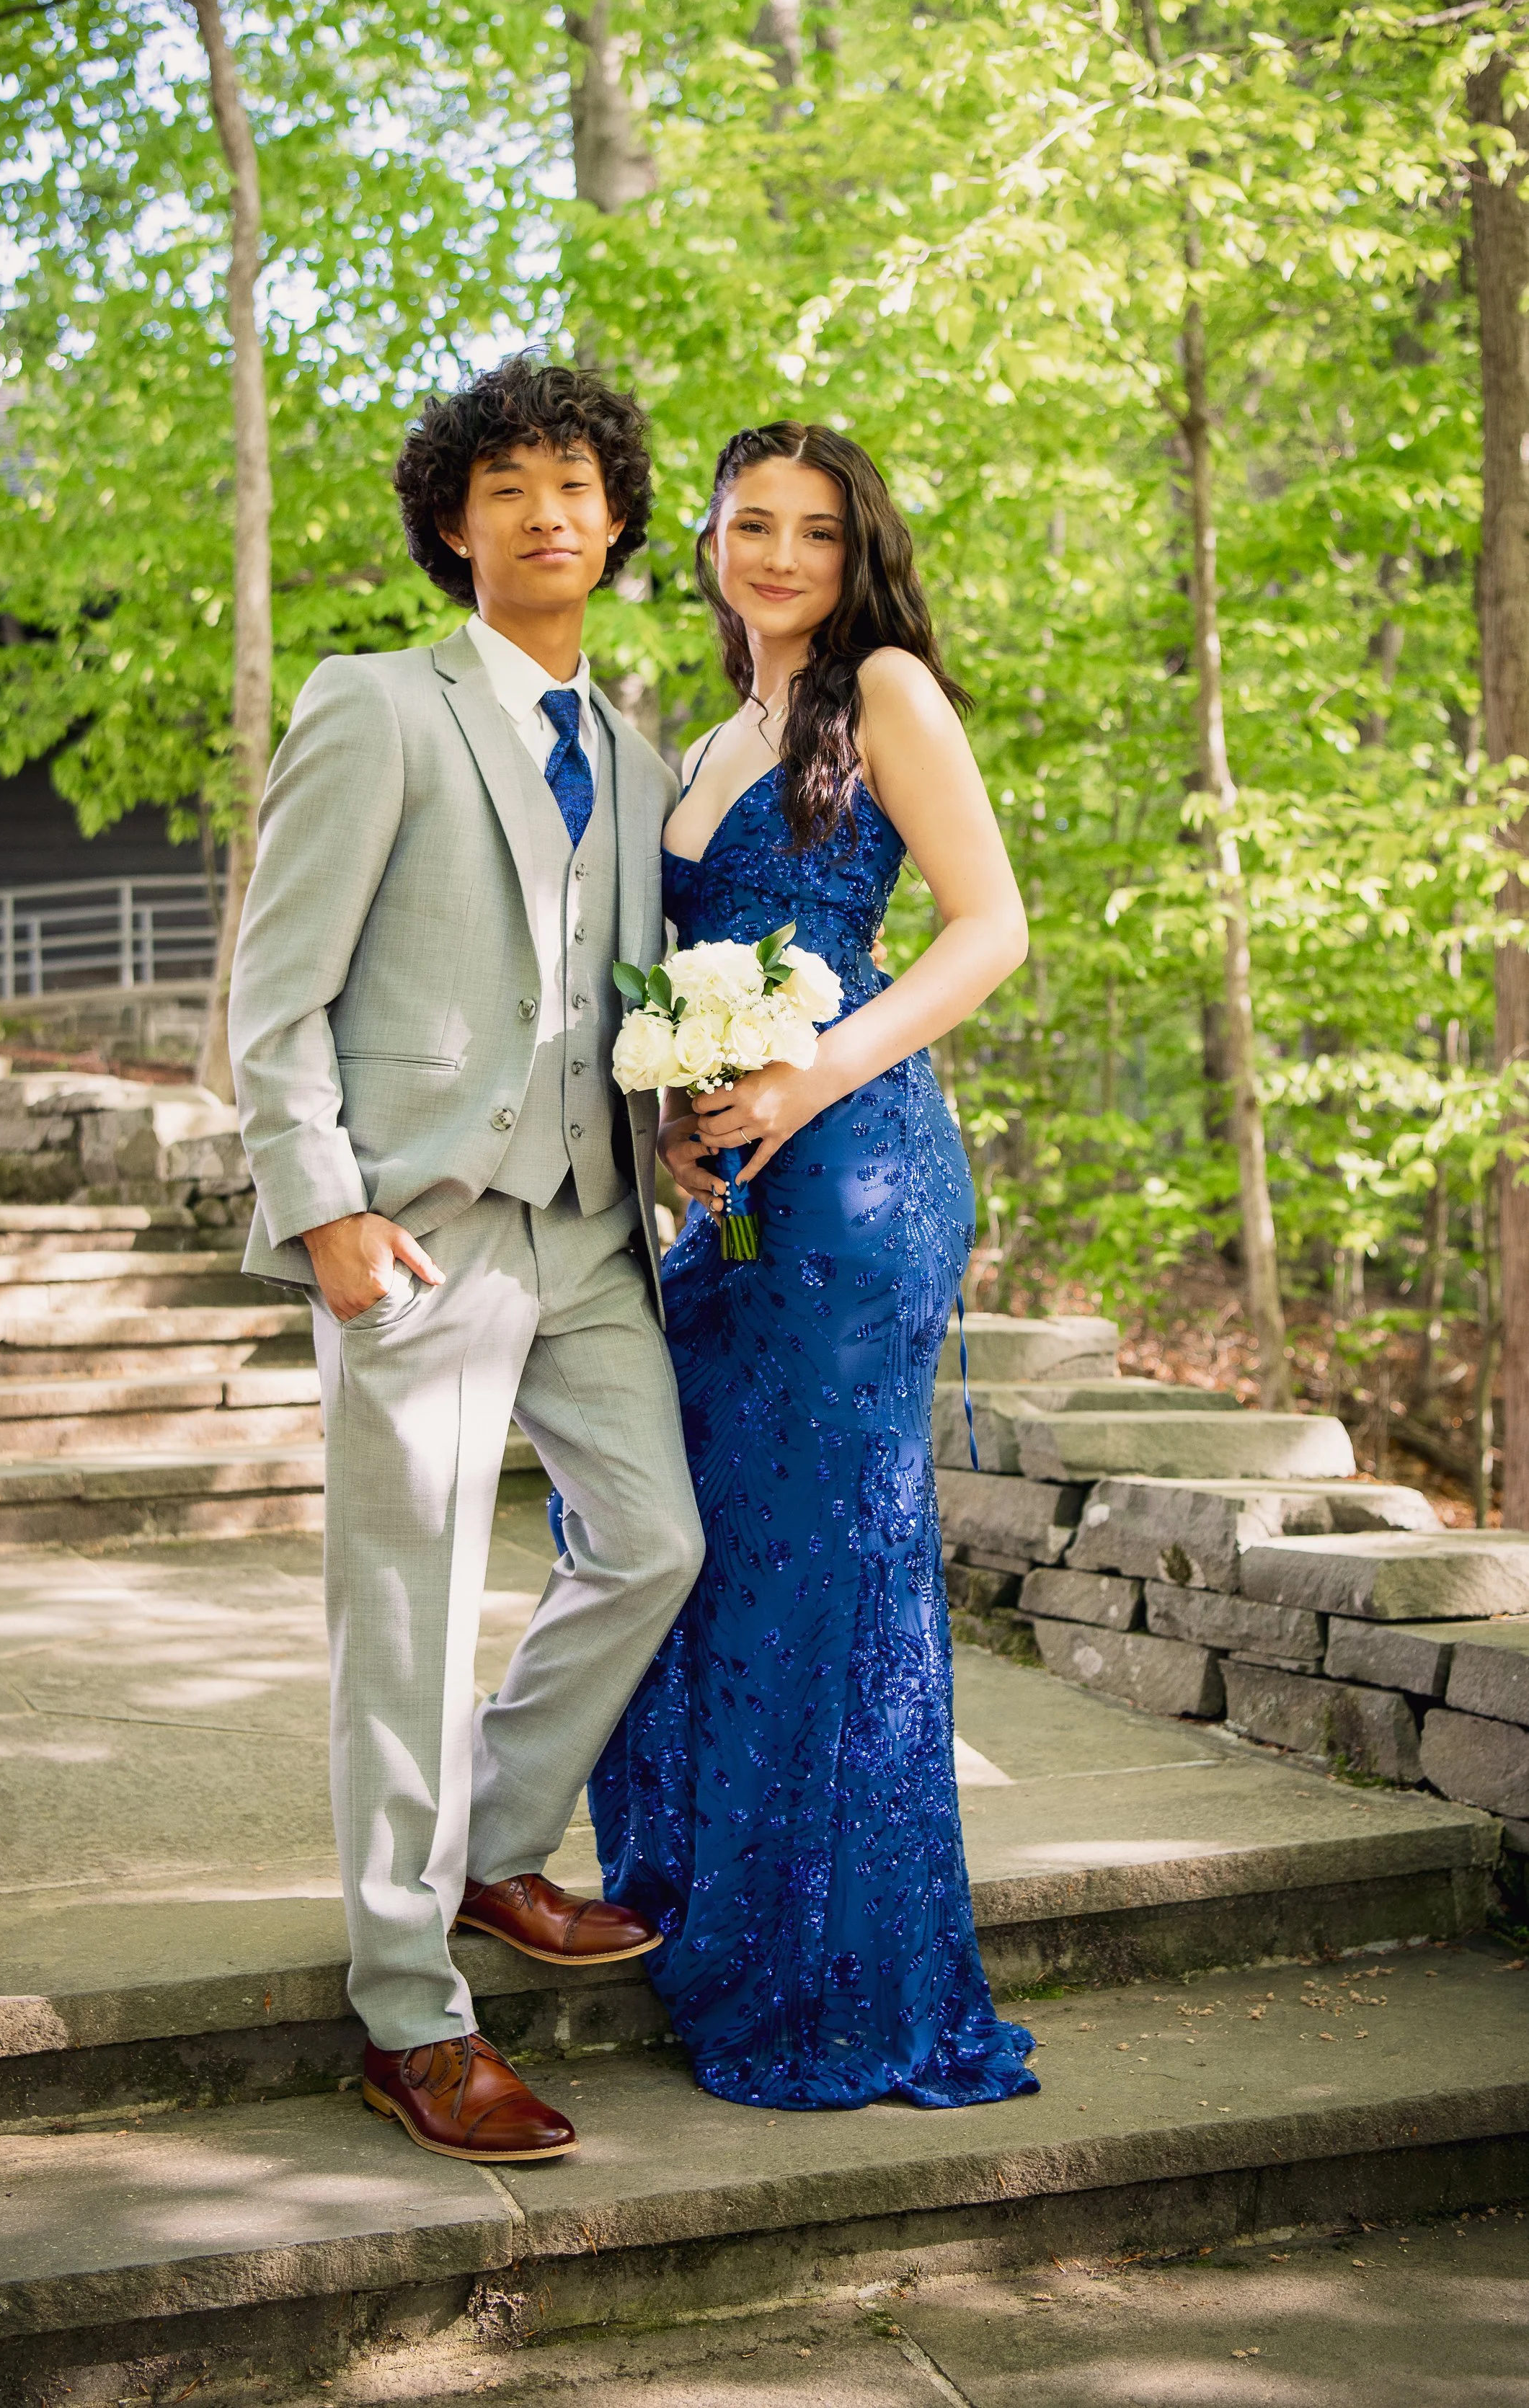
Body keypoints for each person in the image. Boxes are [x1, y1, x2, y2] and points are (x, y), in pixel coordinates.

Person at [229, 357, 702, 2164]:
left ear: (615, 521)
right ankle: (409, 2014)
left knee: (654, 1540)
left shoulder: (645, 761)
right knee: (407, 1625)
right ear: (454, 522)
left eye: (574, 485)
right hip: (416, 1225)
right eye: (505, 486)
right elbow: (276, 992)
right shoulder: (374, 705)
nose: (544, 513)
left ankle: (492, 1845)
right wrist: (324, 1201)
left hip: (591, 1229)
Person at [585, 421, 1040, 2111]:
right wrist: (678, 1124)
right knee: (700, 1552)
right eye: (748, 525)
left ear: (858, 557)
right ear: (703, 542)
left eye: (816, 533)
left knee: (818, 1567)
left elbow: (988, 926)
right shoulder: (703, 739)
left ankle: (839, 1979)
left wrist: (801, 1075)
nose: (778, 555)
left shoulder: (885, 696)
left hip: (856, 1188)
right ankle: (711, 1904)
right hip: (731, 1201)